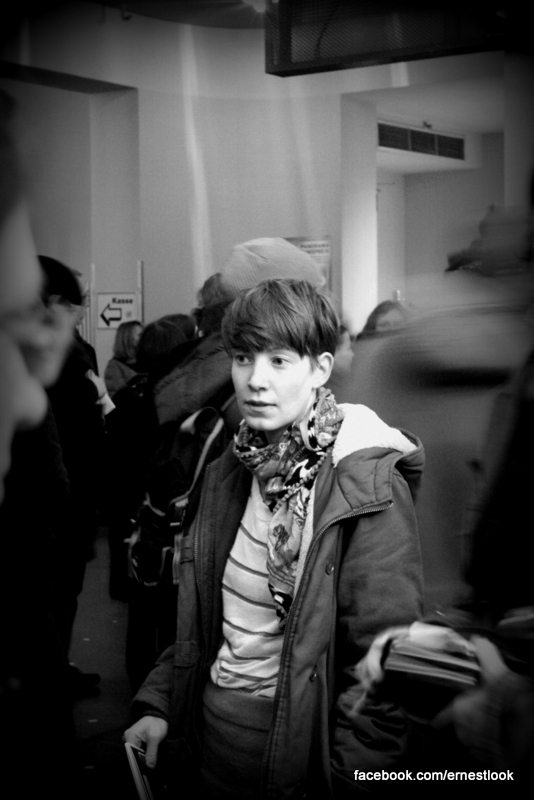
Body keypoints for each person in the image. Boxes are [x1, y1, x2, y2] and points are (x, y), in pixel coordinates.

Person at [124, 277, 424, 798]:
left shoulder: (364, 486)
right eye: (243, 358)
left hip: (297, 761)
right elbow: (200, 620)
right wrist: (160, 704)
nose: (255, 381)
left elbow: (383, 660)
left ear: (320, 369)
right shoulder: (229, 471)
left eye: (279, 361)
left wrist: (355, 780)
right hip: (208, 747)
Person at [104, 319, 143, 398]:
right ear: (127, 338)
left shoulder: (145, 362)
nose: (144, 338)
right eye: (140, 335)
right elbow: (118, 398)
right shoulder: (114, 366)